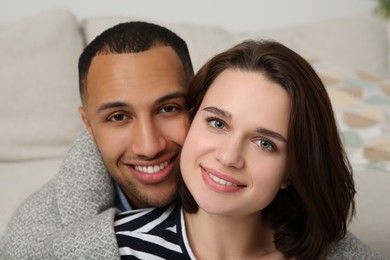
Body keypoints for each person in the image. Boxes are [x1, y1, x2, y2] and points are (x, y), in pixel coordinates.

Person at [114, 40, 385, 259]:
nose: (228, 157)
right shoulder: (113, 248)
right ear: (190, 120)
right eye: (217, 123)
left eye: (264, 143)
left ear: (292, 171)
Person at [0, 21, 194, 259]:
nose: (149, 147)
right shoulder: (34, 239)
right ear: (89, 126)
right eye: (119, 116)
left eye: (168, 109)